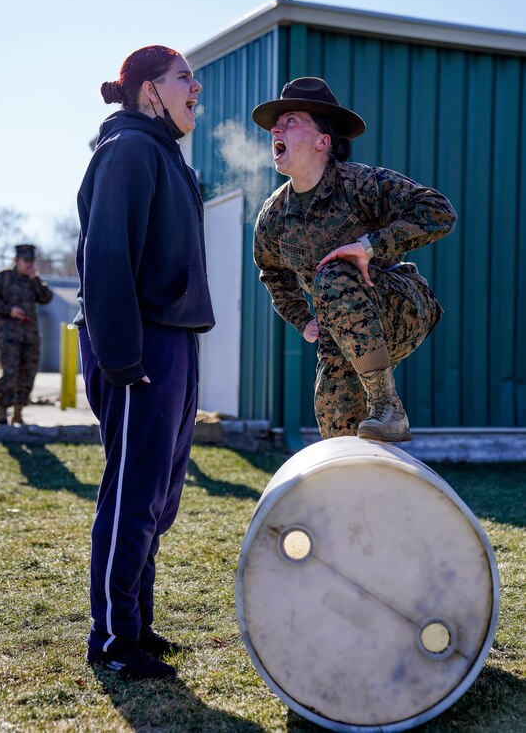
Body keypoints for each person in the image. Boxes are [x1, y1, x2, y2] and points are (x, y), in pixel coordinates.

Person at [75, 45, 215, 680]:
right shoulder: (129, 150)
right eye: (184, 77)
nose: (197, 86)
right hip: (141, 347)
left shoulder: (166, 154)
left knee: (157, 496)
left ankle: (137, 624)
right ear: (149, 91)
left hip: (174, 341)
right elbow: (105, 260)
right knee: (132, 495)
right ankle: (111, 639)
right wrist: (125, 360)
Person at [252, 77, 457, 442]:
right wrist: (303, 319)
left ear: (322, 141)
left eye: (291, 120)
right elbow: (272, 272)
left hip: (399, 306)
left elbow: (440, 211)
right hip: (341, 330)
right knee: (337, 422)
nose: (275, 128)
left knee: (332, 274)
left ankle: (387, 405)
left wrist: (369, 245)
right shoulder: (274, 215)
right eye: (275, 124)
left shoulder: (360, 184)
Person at [0, 245, 53, 425]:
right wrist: (9, 310)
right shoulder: (4, 277)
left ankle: (18, 412)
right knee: (10, 373)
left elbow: (46, 298)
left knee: (27, 374)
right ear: (16, 260)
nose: (29, 264)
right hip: (8, 335)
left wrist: (35, 278)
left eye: (31, 261)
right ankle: (2, 413)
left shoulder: (33, 280)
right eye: (26, 261)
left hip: (30, 336)